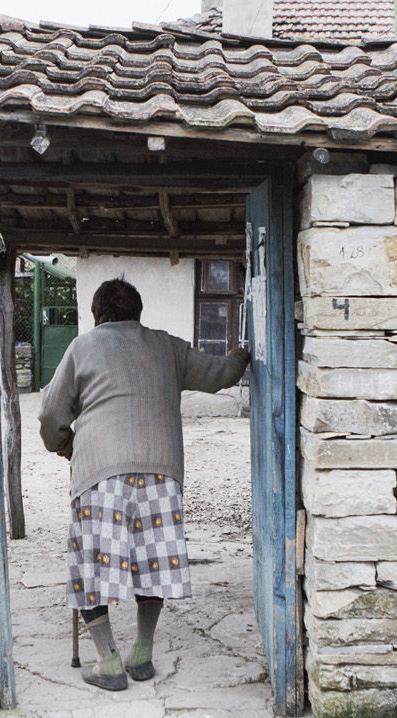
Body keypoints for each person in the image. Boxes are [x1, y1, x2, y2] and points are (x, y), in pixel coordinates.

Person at [38, 277, 251, 690]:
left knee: (91, 566)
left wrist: (69, 447)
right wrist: (244, 352)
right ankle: (142, 653)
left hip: (100, 473)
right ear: (138, 313)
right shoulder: (168, 346)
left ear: (96, 315)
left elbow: (50, 418)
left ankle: (108, 661)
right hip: (161, 471)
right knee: (154, 563)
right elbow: (221, 374)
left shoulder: (82, 347)